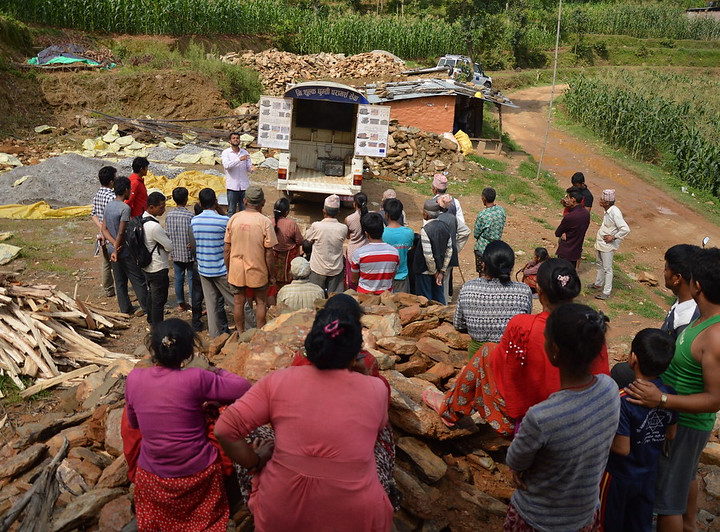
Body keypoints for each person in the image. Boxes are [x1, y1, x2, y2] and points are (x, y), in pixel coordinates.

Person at [214, 306, 393, 532]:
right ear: (356, 351)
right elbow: (378, 427)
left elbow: (224, 429)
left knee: (259, 436)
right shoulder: (375, 389)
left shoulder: (278, 380)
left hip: (281, 510)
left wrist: (256, 462)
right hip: (356, 516)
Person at [423, 259, 610, 434]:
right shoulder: (591, 328)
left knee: (488, 351)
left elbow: (508, 371)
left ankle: (450, 408)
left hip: (531, 419)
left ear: (539, 289)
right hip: (581, 422)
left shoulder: (523, 326)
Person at [625, 248, 720, 532]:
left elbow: (715, 399)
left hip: (687, 424)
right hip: (678, 419)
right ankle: (690, 525)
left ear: (697, 286)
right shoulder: (701, 319)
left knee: (667, 504)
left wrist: (662, 399)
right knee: (681, 482)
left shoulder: (714, 336)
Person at [125, 318, 251, 532]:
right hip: (197, 477)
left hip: (153, 478)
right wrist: (216, 371)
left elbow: (134, 423)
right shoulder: (197, 377)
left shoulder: (134, 378)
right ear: (187, 353)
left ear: (153, 347)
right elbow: (243, 387)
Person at [504, 303, 620, 532]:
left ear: (554, 350)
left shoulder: (542, 417)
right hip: (584, 515)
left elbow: (515, 461)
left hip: (538, 520)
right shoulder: (610, 389)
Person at [600, 328, 677, 532]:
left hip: (619, 477)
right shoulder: (669, 395)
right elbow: (671, 433)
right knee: (639, 523)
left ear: (633, 358)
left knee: (609, 522)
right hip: (648, 473)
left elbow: (622, 448)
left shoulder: (623, 399)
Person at [611, 244, 701, 388]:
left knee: (620, 372)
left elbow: (675, 363)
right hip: (661, 366)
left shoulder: (687, 321)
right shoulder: (683, 300)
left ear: (677, 278)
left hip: (665, 379)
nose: (663, 272)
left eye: (666, 269)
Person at [224, 185, 277, 333]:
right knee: (261, 303)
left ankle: (241, 334)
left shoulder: (234, 218)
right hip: (258, 270)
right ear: (263, 202)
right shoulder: (265, 222)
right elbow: (269, 253)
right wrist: (271, 275)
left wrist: (229, 270)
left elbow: (227, 249)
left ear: (245, 200)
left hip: (237, 269)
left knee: (238, 303)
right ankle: (260, 333)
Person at [101, 176, 148, 317]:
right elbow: (121, 232)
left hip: (112, 249)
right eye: (130, 189)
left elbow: (104, 229)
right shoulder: (125, 208)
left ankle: (125, 308)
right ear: (126, 190)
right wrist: (118, 245)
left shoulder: (109, 205)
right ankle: (146, 306)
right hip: (124, 249)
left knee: (120, 280)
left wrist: (113, 244)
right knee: (137, 278)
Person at [191, 188, 235, 338]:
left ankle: (215, 337)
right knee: (236, 302)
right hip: (221, 269)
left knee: (212, 306)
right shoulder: (224, 221)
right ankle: (249, 330)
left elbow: (194, 244)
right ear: (215, 202)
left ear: (200, 203)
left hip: (204, 268)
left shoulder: (194, 220)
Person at [305, 195, 348, 295]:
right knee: (334, 299)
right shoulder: (343, 228)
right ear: (338, 212)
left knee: (315, 297)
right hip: (336, 269)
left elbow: (307, 238)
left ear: (324, 211)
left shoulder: (316, 226)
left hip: (317, 268)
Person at [142, 192, 173, 327]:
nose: (164, 210)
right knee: (159, 299)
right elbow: (169, 246)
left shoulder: (141, 219)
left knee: (151, 294)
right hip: (158, 266)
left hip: (147, 265)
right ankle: (157, 326)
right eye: (161, 207)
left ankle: (151, 319)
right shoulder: (154, 227)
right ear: (151, 207)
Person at [593, 189, 630, 300]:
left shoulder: (615, 212)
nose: (600, 201)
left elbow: (625, 229)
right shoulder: (607, 210)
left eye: (602, 200)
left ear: (607, 202)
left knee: (607, 269)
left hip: (608, 245)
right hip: (601, 242)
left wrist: (613, 237)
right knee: (599, 264)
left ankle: (606, 292)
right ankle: (598, 283)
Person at [413, 199, 452, 304]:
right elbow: (449, 251)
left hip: (425, 271)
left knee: (426, 300)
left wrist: (434, 273)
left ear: (426, 214)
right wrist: (442, 271)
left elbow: (428, 256)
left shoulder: (426, 229)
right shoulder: (445, 227)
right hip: (439, 270)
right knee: (439, 298)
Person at [350, 212, 399, 295]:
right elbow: (393, 276)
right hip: (386, 297)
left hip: (364, 297)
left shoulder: (358, 254)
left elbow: (354, 280)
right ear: (383, 230)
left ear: (366, 233)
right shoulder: (394, 253)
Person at [166, 187, 196, 312]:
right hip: (188, 251)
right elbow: (193, 233)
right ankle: (193, 302)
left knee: (178, 277)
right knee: (191, 278)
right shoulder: (190, 216)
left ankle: (180, 302)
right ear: (186, 199)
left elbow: (167, 233)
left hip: (175, 251)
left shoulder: (169, 215)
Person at [269, 197, 303, 305]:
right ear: (287, 212)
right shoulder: (291, 224)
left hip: (273, 256)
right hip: (288, 258)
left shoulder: (269, 221)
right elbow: (299, 241)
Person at [91, 165, 117, 298]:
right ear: (111, 181)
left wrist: (101, 228)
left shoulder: (98, 194)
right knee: (118, 263)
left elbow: (93, 214)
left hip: (102, 236)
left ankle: (108, 289)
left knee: (106, 263)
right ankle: (120, 287)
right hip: (112, 235)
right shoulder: (112, 197)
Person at [382, 198, 415, 293]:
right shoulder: (409, 232)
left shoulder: (382, 233)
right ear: (401, 214)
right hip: (402, 276)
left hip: (385, 277)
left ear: (386, 214)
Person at [554, 186, 590, 269]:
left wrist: (563, 233)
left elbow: (557, 233)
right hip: (576, 251)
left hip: (566, 251)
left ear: (573, 199)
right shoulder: (586, 214)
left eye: (568, 197)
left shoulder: (570, 217)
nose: (566, 199)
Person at [472, 187, 506, 273]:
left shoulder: (483, 215)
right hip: (496, 248)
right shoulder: (501, 211)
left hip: (483, 248)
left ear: (483, 198)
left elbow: (476, 233)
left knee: (482, 273)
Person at [221, 132, 253, 216]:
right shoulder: (226, 153)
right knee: (231, 210)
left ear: (240, 140)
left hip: (244, 187)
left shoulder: (245, 152)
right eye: (233, 138)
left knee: (244, 210)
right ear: (229, 141)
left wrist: (252, 169)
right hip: (232, 187)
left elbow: (248, 167)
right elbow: (227, 166)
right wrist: (239, 159)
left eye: (237, 138)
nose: (236, 139)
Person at [345, 192, 370, 289]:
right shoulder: (370, 216)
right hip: (366, 252)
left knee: (352, 281)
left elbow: (347, 236)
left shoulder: (349, 219)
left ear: (354, 204)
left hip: (353, 252)